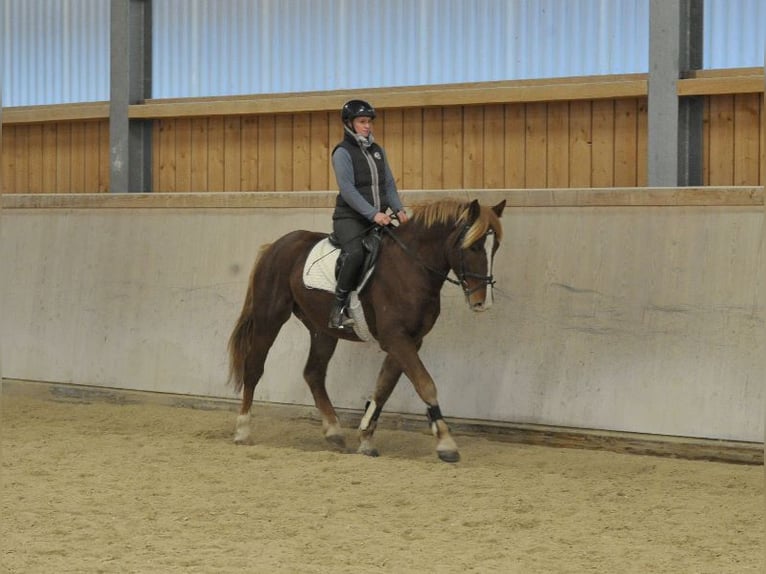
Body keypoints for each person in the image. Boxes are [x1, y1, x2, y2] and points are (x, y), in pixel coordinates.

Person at [329, 99, 409, 329]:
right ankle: (338, 308)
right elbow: (348, 190)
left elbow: (389, 185)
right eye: (362, 122)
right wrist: (373, 214)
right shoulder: (342, 152)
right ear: (349, 124)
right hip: (349, 218)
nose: (367, 126)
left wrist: (399, 210)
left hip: (378, 217)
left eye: (369, 122)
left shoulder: (377, 151)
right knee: (354, 253)